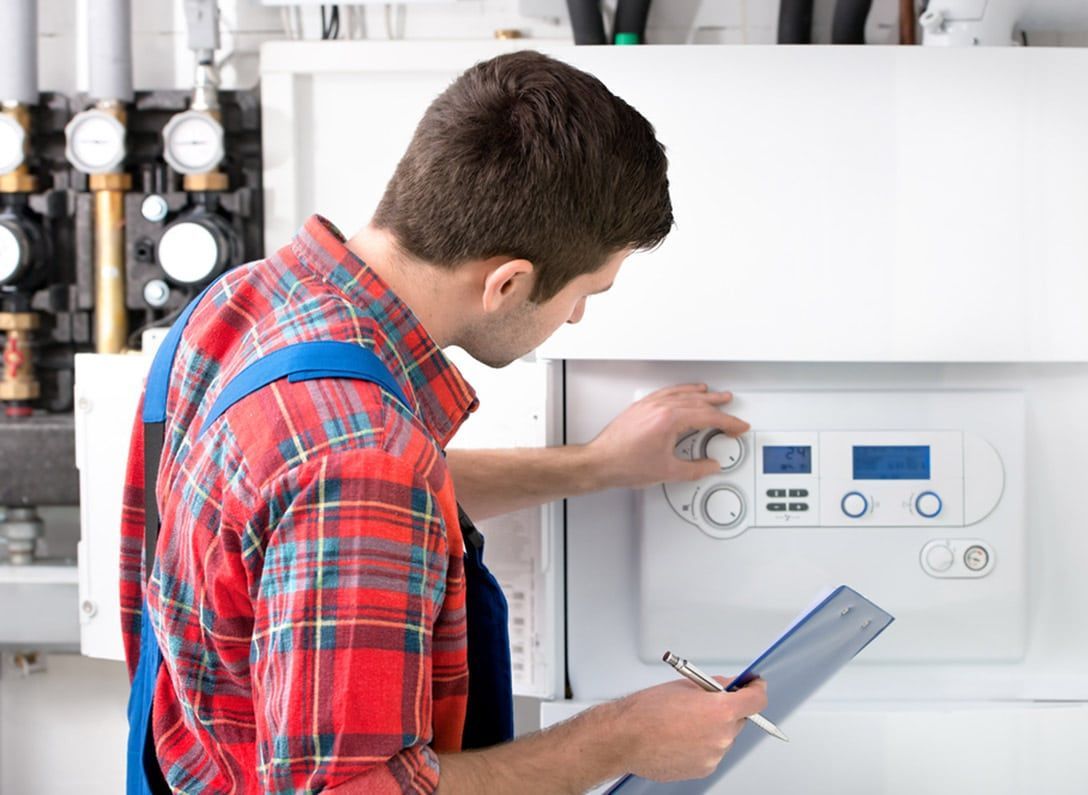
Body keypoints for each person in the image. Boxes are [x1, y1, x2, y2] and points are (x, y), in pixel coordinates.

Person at [119, 50, 763, 794]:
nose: (579, 314)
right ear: (509, 283)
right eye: (587, 291)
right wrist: (619, 738)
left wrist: (594, 465)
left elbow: (300, 505)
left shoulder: (245, 304)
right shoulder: (363, 459)